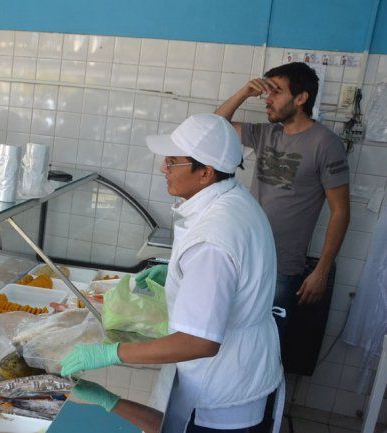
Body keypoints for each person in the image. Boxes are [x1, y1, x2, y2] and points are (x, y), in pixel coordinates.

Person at [61, 114, 283, 433]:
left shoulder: (214, 237)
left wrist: (113, 353)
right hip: (240, 371)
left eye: (172, 162)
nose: (162, 169)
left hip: (223, 394)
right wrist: (180, 275)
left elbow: (200, 341)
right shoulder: (232, 201)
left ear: (205, 172)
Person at [215, 62, 350, 338]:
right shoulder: (266, 133)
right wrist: (243, 93)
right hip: (244, 256)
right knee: (232, 336)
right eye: (267, 92)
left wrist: (321, 271)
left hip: (282, 267)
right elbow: (213, 128)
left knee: (268, 341)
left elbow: (341, 211)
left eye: (276, 92)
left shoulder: (325, 144)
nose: (267, 99)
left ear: (301, 99)